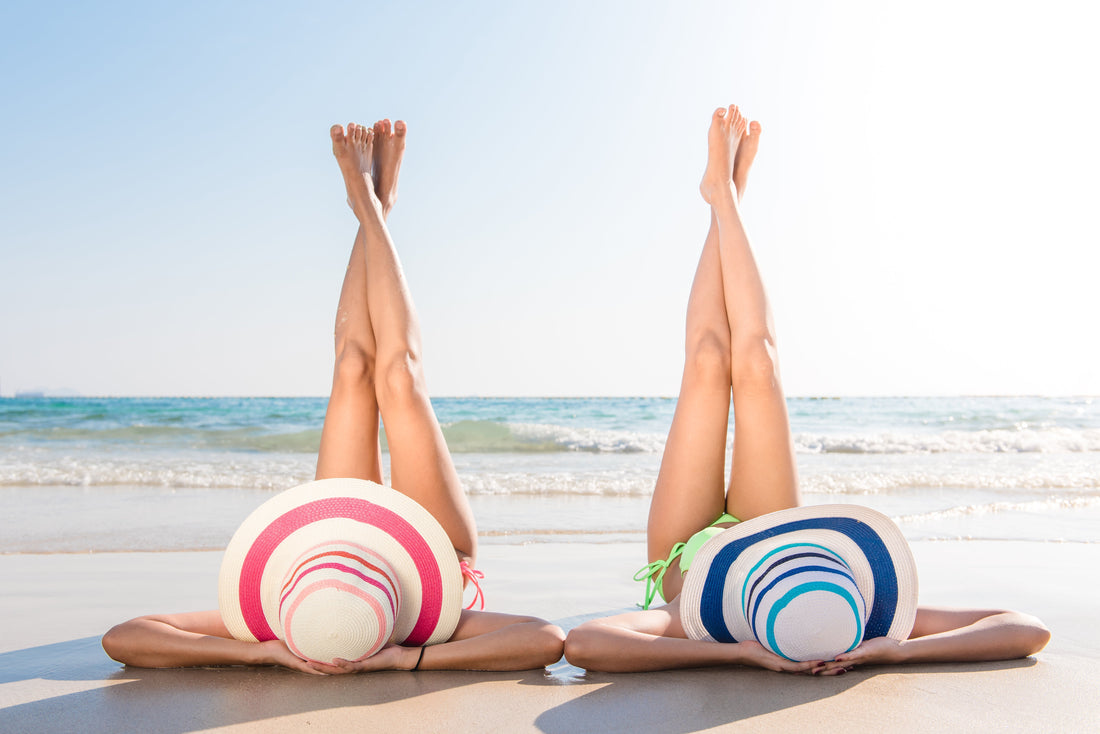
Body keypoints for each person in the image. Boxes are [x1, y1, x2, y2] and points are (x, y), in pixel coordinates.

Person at [562, 104, 1051, 675]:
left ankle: (724, 197)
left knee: (707, 360)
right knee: (760, 362)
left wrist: (737, 651)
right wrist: (898, 648)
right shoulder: (855, 612)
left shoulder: (697, 619)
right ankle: (725, 196)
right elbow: (1026, 628)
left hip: (693, 567)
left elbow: (587, 642)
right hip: (777, 535)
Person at [102, 119, 566, 674]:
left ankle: (372, 206)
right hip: (428, 555)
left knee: (351, 367)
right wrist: (405, 660)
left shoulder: (284, 619)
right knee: (399, 377)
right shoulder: (421, 624)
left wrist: (260, 651)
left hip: (331, 539)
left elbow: (123, 638)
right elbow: (544, 640)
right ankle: (375, 205)